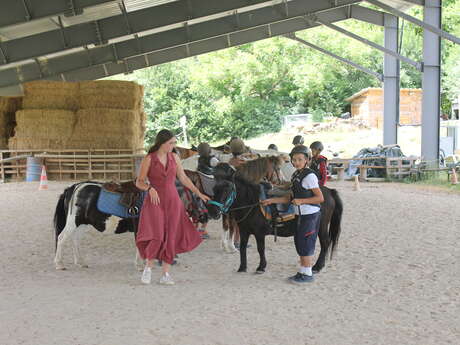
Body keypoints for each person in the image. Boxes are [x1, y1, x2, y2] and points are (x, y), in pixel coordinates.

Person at [135, 129, 210, 285]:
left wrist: (198, 193)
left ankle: (166, 274)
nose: (173, 145)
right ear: (162, 143)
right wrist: (150, 188)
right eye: (171, 143)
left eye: (174, 142)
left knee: (171, 235)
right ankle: (148, 269)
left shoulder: (174, 157)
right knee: (156, 234)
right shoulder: (149, 159)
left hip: (173, 201)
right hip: (154, 201)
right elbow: (139, 181)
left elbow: (182, 178)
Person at [262, 145, 323, 284]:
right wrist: (271, 200)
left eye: (300, 159)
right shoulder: (296, 174)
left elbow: (320, 198)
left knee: (306, 243)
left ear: (307, 160)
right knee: (300, 242)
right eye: (294, 159)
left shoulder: (309, 176)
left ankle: (307, 274)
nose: (296, 162)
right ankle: (303, 271)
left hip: (310, 215)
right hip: (299, 215)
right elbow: (289, 198)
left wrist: (302, 201)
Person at [196, 142, 219, 239]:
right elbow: (220, 166)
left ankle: (198, 228)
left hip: (201, 182)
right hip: (210, 184)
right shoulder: (212, 159)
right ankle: (202, 229)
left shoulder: (200, 159)